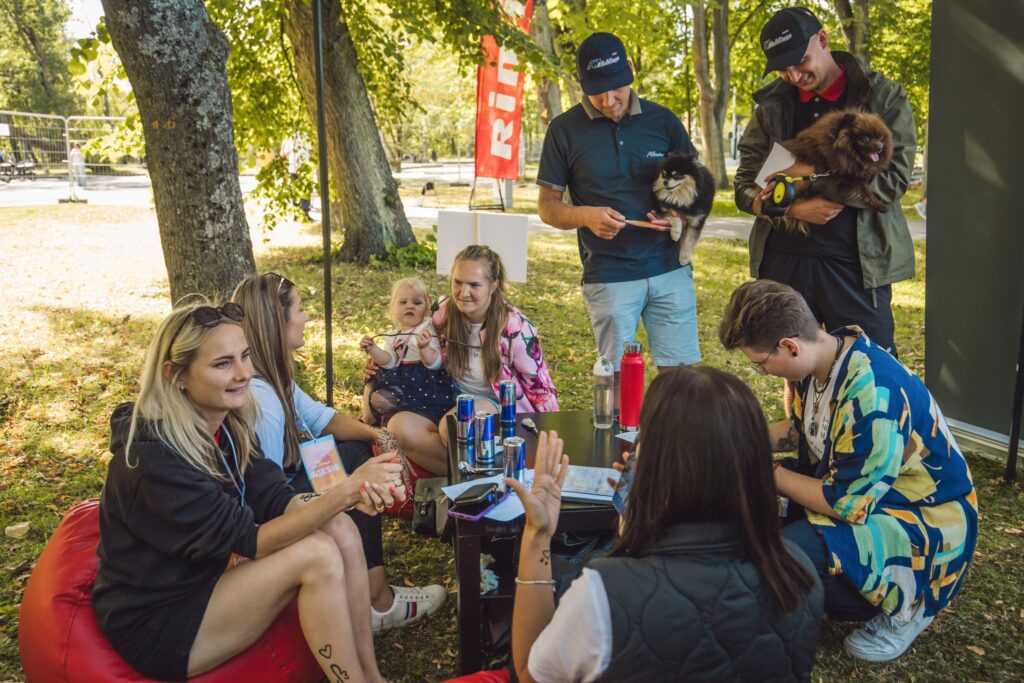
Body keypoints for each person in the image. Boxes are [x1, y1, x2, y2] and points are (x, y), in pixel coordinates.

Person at [93, 301, 404, 681]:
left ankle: (371, 676)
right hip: (160, 619)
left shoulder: (226, 424)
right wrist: (343, 494)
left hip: (207, 577)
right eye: (222, 364)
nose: (244, 374)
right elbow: (252, 541)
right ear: (177, 375)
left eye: (244, 356)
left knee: (340, 526)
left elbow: (276, 497)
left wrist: (346, 499)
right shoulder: (155, 462)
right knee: (317, 555)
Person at [718, 280, 978, 662]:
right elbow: (803, 430)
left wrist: (766, 472)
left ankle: (911, 604)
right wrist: (734, 439)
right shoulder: (822, 358)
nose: (762, 371)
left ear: (789, 346)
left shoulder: (871, 394)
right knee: (753, 523)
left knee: (783, 555)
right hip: (866, 493)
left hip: (923, 522)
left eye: (760, 363)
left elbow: (846, 505)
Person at [508, 367, 823, 682]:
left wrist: (538, 535)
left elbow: (529, 675)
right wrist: (636, 518)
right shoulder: (798, 571)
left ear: (657, 465)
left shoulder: (602, 592)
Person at [231, 272, 446, 632]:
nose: (306, 317)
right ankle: (376, 600)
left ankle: (368, 588)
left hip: (280, 492)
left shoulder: (270, 376)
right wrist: (349, 485)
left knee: (357, 447)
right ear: (277, 322)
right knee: (357, 463)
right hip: (270, 520)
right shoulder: (263, 404)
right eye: (300, 309)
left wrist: (381, 436)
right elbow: (263, 501)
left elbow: (321, 418)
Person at [734, 7, 917, 356]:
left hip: (855, 265)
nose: (793, 75)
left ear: (822, 39)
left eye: (800, 61)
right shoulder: (772, 105)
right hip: (783, 258)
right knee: (792, 361)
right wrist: (792, 209)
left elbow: (892, 180)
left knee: (868, 363)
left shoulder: (882, 97)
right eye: (782, 68)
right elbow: (745, 183)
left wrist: (809, 174)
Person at [536, 31, 701, 388]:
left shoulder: (664, 121)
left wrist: (677, 213)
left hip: (670, 268)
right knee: (616, 381)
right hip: (609, 274)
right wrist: (585, 216)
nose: (608, 101)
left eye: (616, 89)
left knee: (683, 380)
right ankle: (622, 429)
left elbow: (694, 187)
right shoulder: (563, 130)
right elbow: (547, 207)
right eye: (597, 92)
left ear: (629, 69)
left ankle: (675, 429)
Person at [372, 245, 558, 475]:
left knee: (455, 425)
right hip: (444, 395)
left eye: (474, 285)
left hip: (495, 405)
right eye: (457, 282)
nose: (463, 292)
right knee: (400, 427)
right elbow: (409, 339)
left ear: (493, 285)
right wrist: (378, 361)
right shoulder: (443, 311)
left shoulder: (516, 328)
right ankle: (474, 476)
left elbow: (540, 388)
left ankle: (484, 474)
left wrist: (548, 439)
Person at [359, 277, 457, 426]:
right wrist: (373, 349)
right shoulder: (393, 335)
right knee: (375, 383)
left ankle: (398, 422)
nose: (410, 306)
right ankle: (378, 421)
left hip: (424, 382)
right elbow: (389, 362)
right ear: (393, 307)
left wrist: (424, 348)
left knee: (392, 399)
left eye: (417, 303)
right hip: (399, 377)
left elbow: (436, 363)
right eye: (403, 302)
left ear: (427, 306)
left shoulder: (427, 328)